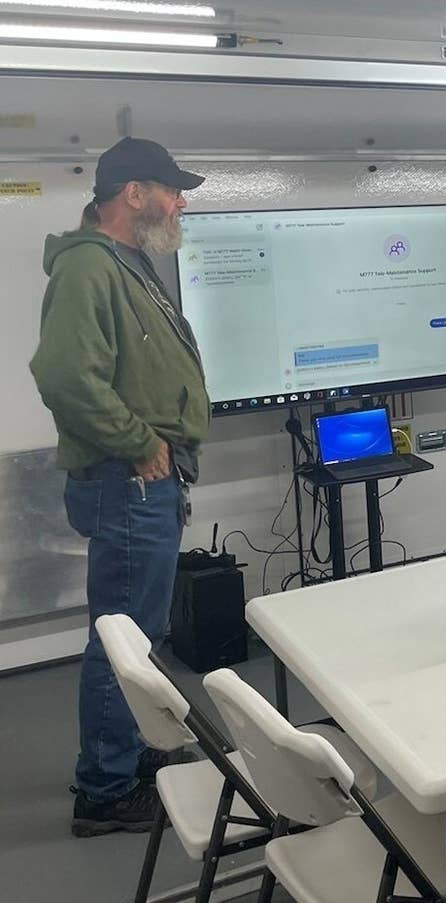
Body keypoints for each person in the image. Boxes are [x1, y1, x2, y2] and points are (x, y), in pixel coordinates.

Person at [30, 137, 210, 837]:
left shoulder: (125, 263)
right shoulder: (88, 269)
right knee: (125, 638)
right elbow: (66, 376)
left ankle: (125, 756)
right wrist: (142, 443)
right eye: (172, 189)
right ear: (134, 193)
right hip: (128, 481)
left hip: (141, 484)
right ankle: (104, 790)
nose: (181, 202)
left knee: (135, 631)